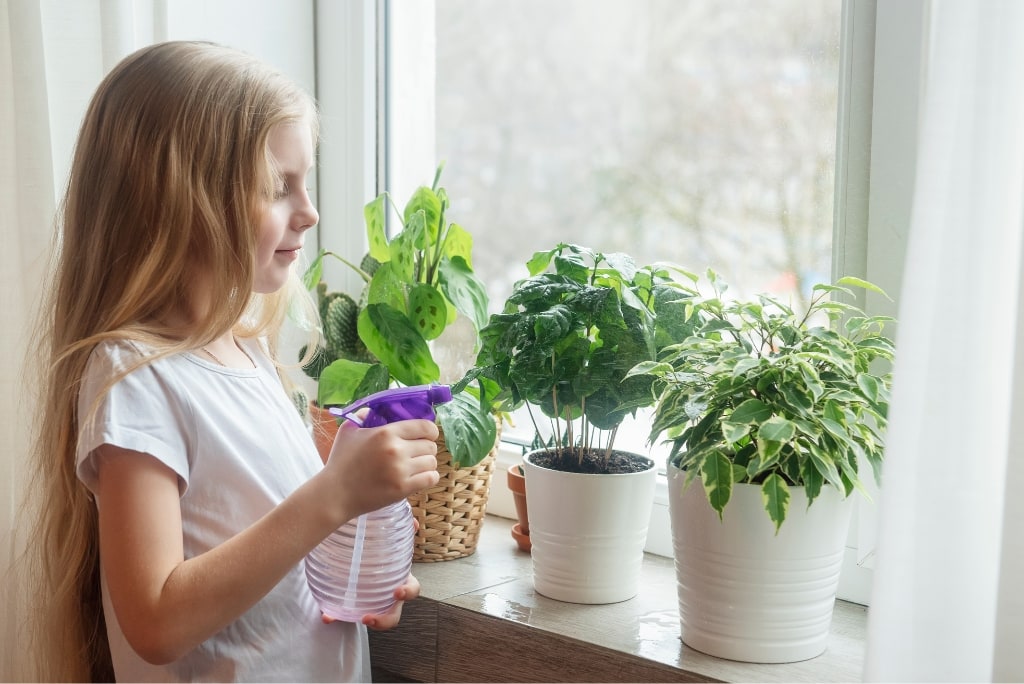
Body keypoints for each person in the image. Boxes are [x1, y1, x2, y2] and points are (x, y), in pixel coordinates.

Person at [22, 40, 440, 682]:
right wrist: (333, 495)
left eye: (306, 182)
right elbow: (158, 620)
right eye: (280, 187)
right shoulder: (135, 378)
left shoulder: (248, 350)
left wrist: (352, 573)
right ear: (180, 205)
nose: (311, 211)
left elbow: (260, 545)